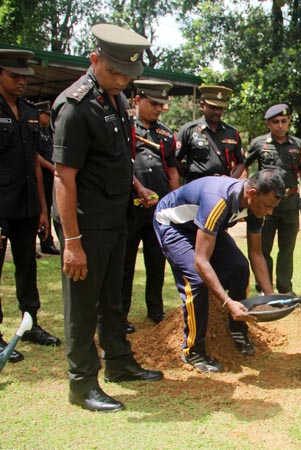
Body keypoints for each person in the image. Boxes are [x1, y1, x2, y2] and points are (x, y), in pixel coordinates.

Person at [52, 24, 163, 413]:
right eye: (114, 72)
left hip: (116, 216)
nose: (121, 81)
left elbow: (113, 158)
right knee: (82, 305)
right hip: (85, 223)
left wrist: (136, 186)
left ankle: (118, 362)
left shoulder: (112, 99)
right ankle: (82, 384)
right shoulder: (75, 107)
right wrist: (71, 242)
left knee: (113, 298)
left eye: (127, 75)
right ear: (94, 59)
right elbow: (63, 176)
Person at [153, 170, 285, 370]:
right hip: (175, 225)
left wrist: (269, 296)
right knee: (196, 280)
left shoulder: (255, 206)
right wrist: (226, 301)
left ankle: (237, 327)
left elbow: (256, 253)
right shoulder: (217, 201)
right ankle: (193, 351)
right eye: (267, 206)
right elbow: (201, 260)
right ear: (251, 194)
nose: (269, 212)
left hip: (204, 226)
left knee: (240, 268)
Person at [0, 49, 61, 365]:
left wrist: (41, 208)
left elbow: (35, 165)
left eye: (25, 77)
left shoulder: (27, 111)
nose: (22, 82)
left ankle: (31, 323)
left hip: (25, 205)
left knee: (27, 265)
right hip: (1, 206)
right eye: (15, 76)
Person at [121, 80, 180, 333]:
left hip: (158, 209)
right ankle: (120, 314)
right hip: (129, 208)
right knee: (124, 263)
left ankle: (155, 310)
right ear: (137, 100)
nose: (158, 109)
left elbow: (173, 169)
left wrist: (175, 201)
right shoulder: (124, 128)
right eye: (153, 103)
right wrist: (137, 188)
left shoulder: (166, 133)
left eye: (161, 104)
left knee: (157, 260)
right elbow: (121, 164)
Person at [245, 104, 301, 294]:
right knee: (263, 247)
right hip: (266, 203)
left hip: (291, 202)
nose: (280, 125)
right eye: (275, 122)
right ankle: (264, 288)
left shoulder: (298, 145)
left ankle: (285, 288)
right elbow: (244, 166)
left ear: (289, 122)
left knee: (287, 247)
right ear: (268, 123)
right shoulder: (259, 144)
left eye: (284, 121)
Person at [176, 85, 245, 182]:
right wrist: (189, 176)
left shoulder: (232, 133)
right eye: (212, 107)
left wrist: (230, 180)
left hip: (222, 186)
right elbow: (175, 160)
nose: (217, 112)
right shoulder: (189, 130)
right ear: (202, 105)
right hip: (197, 185)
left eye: (220, 108)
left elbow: (240, 163)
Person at [35, 100, 61, 256]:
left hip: (50, 178)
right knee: (39, 210)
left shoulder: (47, 131)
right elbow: (35, 156)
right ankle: (40, 242)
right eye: (46, 115)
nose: (48, 118)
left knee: (49, 209)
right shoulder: (34, 131)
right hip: (41, 178)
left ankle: (47, 242)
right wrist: (51, 167)